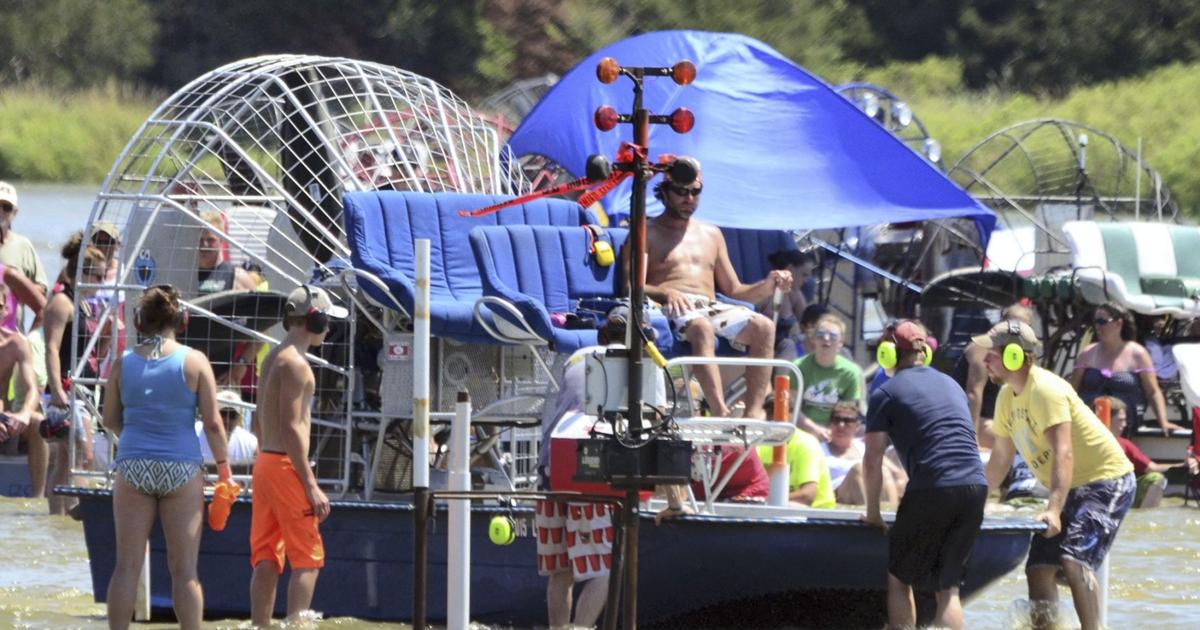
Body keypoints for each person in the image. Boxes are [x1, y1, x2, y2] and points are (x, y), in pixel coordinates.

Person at [980, 320, 1134, 630]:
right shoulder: (1006, 398)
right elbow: (1000, 459)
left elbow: (1063, 451)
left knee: (1073, 560)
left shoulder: (1046, 390)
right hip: (1069, 486)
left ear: (1014, 356)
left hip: (1107, 479)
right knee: (1038, 568)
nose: (985, 360)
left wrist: (1052, 508)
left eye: (991, 354)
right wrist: (973, 502)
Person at [101, 285, 231, 630]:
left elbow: (109, 420)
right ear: (182, 320)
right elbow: (215, 424)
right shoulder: (195, 362)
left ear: (140, 323)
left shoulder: (122, 364)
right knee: (185, 569)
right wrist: (224, 471)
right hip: (182, 469)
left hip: (133, 466)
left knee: (126, 565)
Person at [634, 158, 791, 419]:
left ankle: (752, 415)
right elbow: (631, 286)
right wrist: (666, 292)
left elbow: (735, 290)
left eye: (695, 191)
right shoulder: (646, 231)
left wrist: (767, 284)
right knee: (701, 328)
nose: (689, 198)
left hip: (710, 305)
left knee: (764, 327)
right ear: (664, 192)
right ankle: (719, 410)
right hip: (669, 306)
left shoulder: (712, 234)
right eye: (681, 191)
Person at [862, 321, 986, 630]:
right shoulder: (951, 384)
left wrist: (873, 513)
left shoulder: (885, 393)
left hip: (933, 486)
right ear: (925, 353)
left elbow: (872, 460)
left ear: (888, 354)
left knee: (900, 578)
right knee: (949, 587)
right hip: (975, 485)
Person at [535, 310, 646, 629]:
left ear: (602, 335)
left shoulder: (576, 359)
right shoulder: (628, 368)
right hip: (586, 471)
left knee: (562, 569)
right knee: (604, 571)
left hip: (547, 470)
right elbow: (643, 432)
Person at [249, 284, 346, 626]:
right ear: (314, 321)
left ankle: (260, 625)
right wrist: (311, 485)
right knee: (307, 559)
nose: (329, 328)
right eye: (327, 321)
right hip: (286, 465)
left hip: (265, 462)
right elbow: (292, 428)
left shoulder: (273, 356)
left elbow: (260, 418)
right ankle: (298, 626)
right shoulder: (297, 366)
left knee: (266, 556)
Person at [42, 234, 106, 515]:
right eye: (98, 277)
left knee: (74, 455)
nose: (102, 283)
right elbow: (52, 349)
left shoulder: (84, 305)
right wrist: (57, 390)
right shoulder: (62, 303)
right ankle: (68, 514)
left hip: (83, 390)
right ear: (82, 274)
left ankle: (66, 514)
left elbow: (90, 351)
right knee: (81, 453)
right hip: (66, 391)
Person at [1071, 302, 1180, 436]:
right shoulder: (1087, 353)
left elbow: (1153, 392)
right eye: (1095, 322)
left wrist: (1163, 422)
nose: (1097, 326)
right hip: (1089, 426)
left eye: (1102, 321)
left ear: (1118, 323)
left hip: (1123, 426)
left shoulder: (1138, 354)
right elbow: (1072, 391)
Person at [0, 283, 47, 497]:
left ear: (6, 309)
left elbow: (32, 389)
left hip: (4, 418)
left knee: (38, 422)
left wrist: (25, 413)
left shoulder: (16, 343)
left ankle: (38, 499)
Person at [1099, 396, 1181, 509]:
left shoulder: (1125, 444)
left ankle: (1145, 519)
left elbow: (1153, 468)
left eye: (1125, 420)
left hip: (1122, 495)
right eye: (1120, 420)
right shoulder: (1082, 443)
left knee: (1157, 478)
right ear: (1107, 419)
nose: (1124, 425)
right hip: (1095, 494)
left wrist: (1183, 466)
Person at [792, 313, 862, 441]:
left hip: (835, 433)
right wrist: (814, 429)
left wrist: (831, 433)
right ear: (813, 339)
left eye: (833, 336)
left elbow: (848, 413)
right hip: (802, 433)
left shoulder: (851, 372)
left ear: (841, 343)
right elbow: (791, 410)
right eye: (820, 334)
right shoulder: (798, 368)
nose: (826, 338)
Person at [821, 401, 904, 505]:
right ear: (830, 423)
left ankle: (892, 515)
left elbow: (897, 473)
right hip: (836, 494)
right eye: (836, 420)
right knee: (857, 470)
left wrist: (901, 484)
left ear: (857, 426)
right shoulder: (818, 449)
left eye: (847, 421)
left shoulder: (864, 448)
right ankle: (870, 516)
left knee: (884, 471)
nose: (841, 425)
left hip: (867, 490)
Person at [0, 181, 50, 331]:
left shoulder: (23, 245)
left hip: (12, 333)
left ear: (15, 213)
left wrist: (14, 285)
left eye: (6, 207)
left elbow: (42, 291)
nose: (0, 211)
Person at [756, 417, 836, 508]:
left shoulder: (806, 443)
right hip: (772, 512)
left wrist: (769, 501)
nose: (774, 417)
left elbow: (807, 495)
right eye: (770, 410)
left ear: (790, 413)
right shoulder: (758, 442)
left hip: (818, 514)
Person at [760, 249, 817, 361]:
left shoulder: (796, 295)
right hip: (766, 351)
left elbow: (809, 325)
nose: (806, 280)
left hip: (789, 351)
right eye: (804, 275)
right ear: (789, 270)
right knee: (789, 346)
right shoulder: (766, 292)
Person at [197, 211, 256, 295]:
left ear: (221, 240)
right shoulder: (182, 273)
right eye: (200, 240)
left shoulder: (237, 277)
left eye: (211, 240)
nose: (204, 245)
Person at [197, 389, 258, 467]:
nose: (227, 420)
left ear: (238, 419)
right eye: (223, 413)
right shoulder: (192, 435)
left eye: (232, 415)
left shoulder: (251, 444)